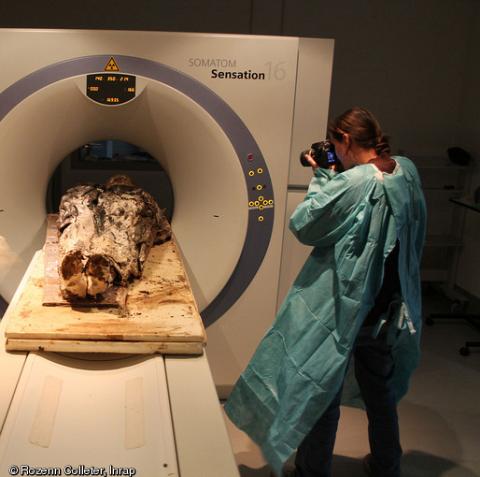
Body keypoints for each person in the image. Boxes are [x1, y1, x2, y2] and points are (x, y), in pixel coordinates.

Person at [224, 107, 427, 477]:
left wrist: (323, 175)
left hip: (348, 312)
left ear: (345, 140)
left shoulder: (356, 183)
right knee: (379, 391)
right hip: (388, 307)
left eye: (336, 145)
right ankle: (387, 465)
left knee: (320, 394)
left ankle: (311, 470)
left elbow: (307, 224)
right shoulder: (406, 170)